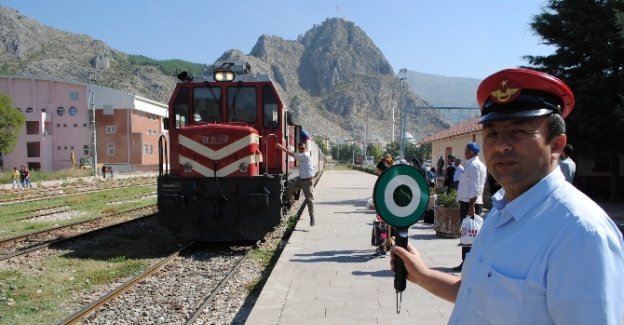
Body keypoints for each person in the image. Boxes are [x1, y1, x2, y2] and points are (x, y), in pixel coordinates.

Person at [390, 68, 624, 324]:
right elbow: (473, 294)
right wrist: (422, 274)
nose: (501, 145)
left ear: (556, 145)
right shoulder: (502, 212)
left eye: (519, 131)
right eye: (491, 133)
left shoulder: (581, 235)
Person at [453, 142, 486, 272]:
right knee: (467, 232)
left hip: (471, 203)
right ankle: (466, 261)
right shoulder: (472, 165)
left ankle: (469, 262)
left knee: (470, 233)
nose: (464, 152)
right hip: (468, 202)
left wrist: (471, 206)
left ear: (471, 152)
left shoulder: (474, 166)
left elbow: (475, 187)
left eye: (466, 150)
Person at [276, 142, 315, 226]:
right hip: (300, 180)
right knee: (289, 189)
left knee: (309, 199)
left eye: (303, 149)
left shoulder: (305, 155)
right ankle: (291, 203)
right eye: (300, 149)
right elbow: (295, 154)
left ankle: (312, 218)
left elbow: (293, 154)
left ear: (306, 149)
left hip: (308, 181)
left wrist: (281, 148)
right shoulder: (301, 155)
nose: (301, 150)